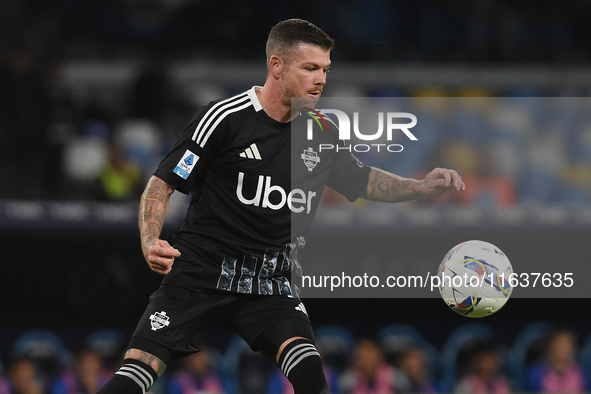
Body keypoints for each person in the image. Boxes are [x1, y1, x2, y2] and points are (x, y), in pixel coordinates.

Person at [96, 18, 464, 394]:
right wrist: (149, 239)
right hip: (199, 275)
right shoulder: (223, 118)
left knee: (311, 378)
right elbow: (162, 184)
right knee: (134, 375)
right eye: (309, 68)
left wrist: (419, 186)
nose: (320, 79)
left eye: (325, 70)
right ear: (276, 66)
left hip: (270, 284)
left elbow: (364, 180)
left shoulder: (320, 131)